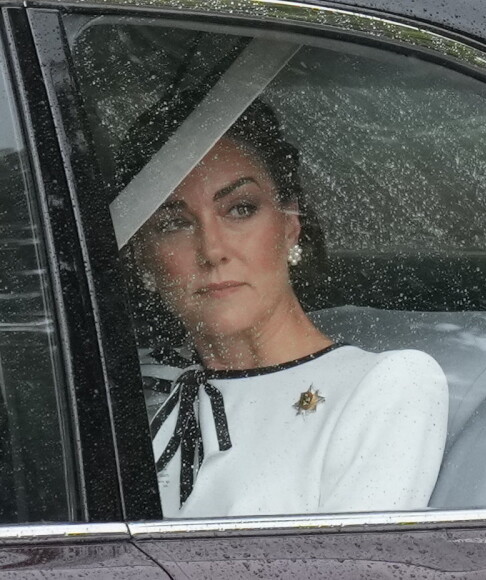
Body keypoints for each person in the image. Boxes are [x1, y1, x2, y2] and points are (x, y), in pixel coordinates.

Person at [131, 99, 448, 518]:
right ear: (141, 258)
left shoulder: (386, 386)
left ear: (289, 226)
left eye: (240, 209)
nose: (212, 250)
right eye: (174, 222)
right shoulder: (123, 389)